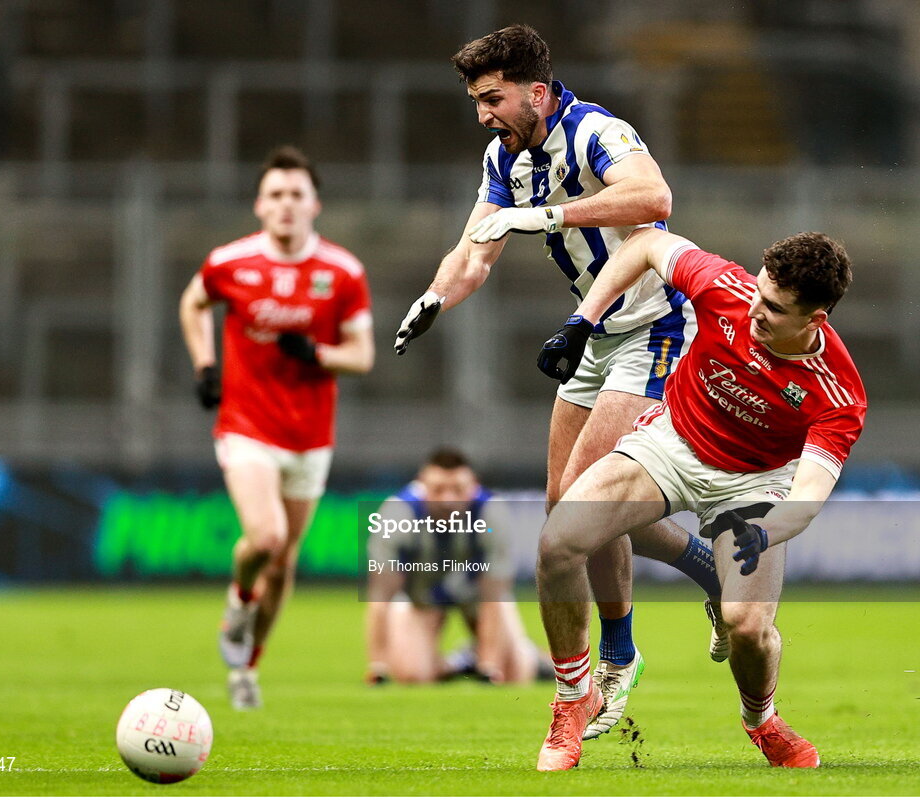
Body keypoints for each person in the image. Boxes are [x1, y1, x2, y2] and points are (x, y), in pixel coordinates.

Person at [393, 23, 721, 737]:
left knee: (581, 506)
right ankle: (709, 569)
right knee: (560, 505)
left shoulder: (596, 130)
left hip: (655, 327)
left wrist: (548, 214)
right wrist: (433, 298)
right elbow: (474, 251)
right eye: (477, 100)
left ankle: (619, 656)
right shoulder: (501, 156)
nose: (482, 113)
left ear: (537, 92)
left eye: (493, 98)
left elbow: (653, 198)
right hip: (594, 333)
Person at [533, 227, 864, 770]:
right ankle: (573, 699)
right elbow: (642, 243)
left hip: (754, 485)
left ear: (815, 321)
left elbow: (806, 495)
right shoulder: (725, 288)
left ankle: (762, 720)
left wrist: (764, 533)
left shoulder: (838, 392)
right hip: (671, 444)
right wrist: (582, 320)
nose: (755, 310)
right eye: (758, 293)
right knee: (559, 540)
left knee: (747, 626)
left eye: (775, 309)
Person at [179, 146, 375, 709]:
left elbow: (361, 355)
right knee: (265, 539)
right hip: (245, 424)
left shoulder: (342, 272)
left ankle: (248, 668)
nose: (286, 204)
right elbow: (193, 303)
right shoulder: (231, 262)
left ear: (315, 205)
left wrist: (317, 352)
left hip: (310, 434)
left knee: (286, 561)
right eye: (276, 195)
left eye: (296, 194)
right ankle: (239, 602)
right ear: (259, 205)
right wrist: (204, 365)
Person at [365, 448, 552, 685]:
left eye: (457, 490)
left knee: (514, 674)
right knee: (413, 675)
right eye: (438, 490)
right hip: (421, 598)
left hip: (476, 596)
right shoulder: (398, 514)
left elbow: (493, 594)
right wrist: (378, 665)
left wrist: (489, 668)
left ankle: (533, 658)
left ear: (473, 487)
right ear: (421, 486)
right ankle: (459, 662)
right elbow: (381, 594)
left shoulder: (491, 513)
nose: (447, 500)